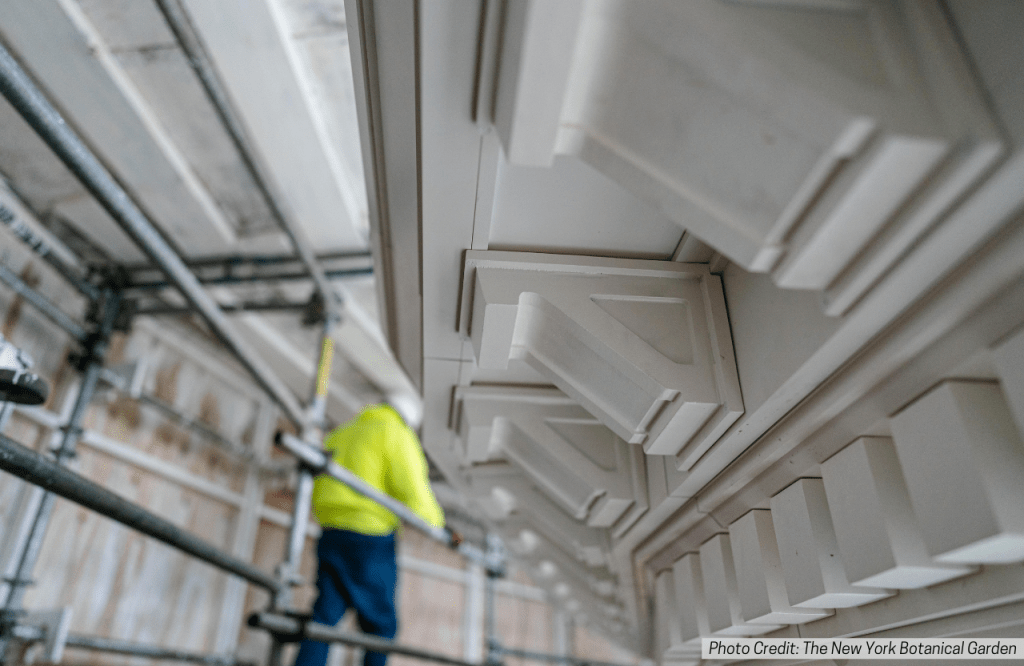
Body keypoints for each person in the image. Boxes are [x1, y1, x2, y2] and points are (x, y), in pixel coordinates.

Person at [292, 403, 446, 666]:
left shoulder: (343, 432)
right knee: (380, 628)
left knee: (323, 620)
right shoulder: (394, 431)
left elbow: (318, 483)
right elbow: (413, 489)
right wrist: (438, 525)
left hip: (331, 535)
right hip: (369, 540)